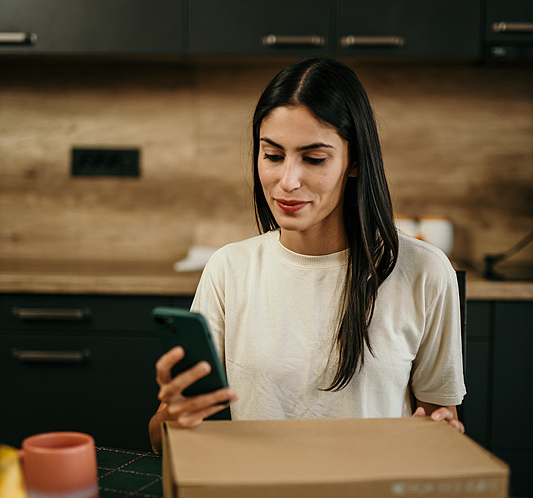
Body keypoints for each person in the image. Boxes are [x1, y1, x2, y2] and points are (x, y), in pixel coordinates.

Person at [149, 57, 465, 454]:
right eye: (272, 155)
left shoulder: (424, 271)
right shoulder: (228, 270)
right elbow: (160, 439)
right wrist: (174, 417)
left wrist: (443, 433)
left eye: (314, 159)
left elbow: (439, 421)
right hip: (262, 488)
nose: (288, 181)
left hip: (373, 489)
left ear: (355, 161)